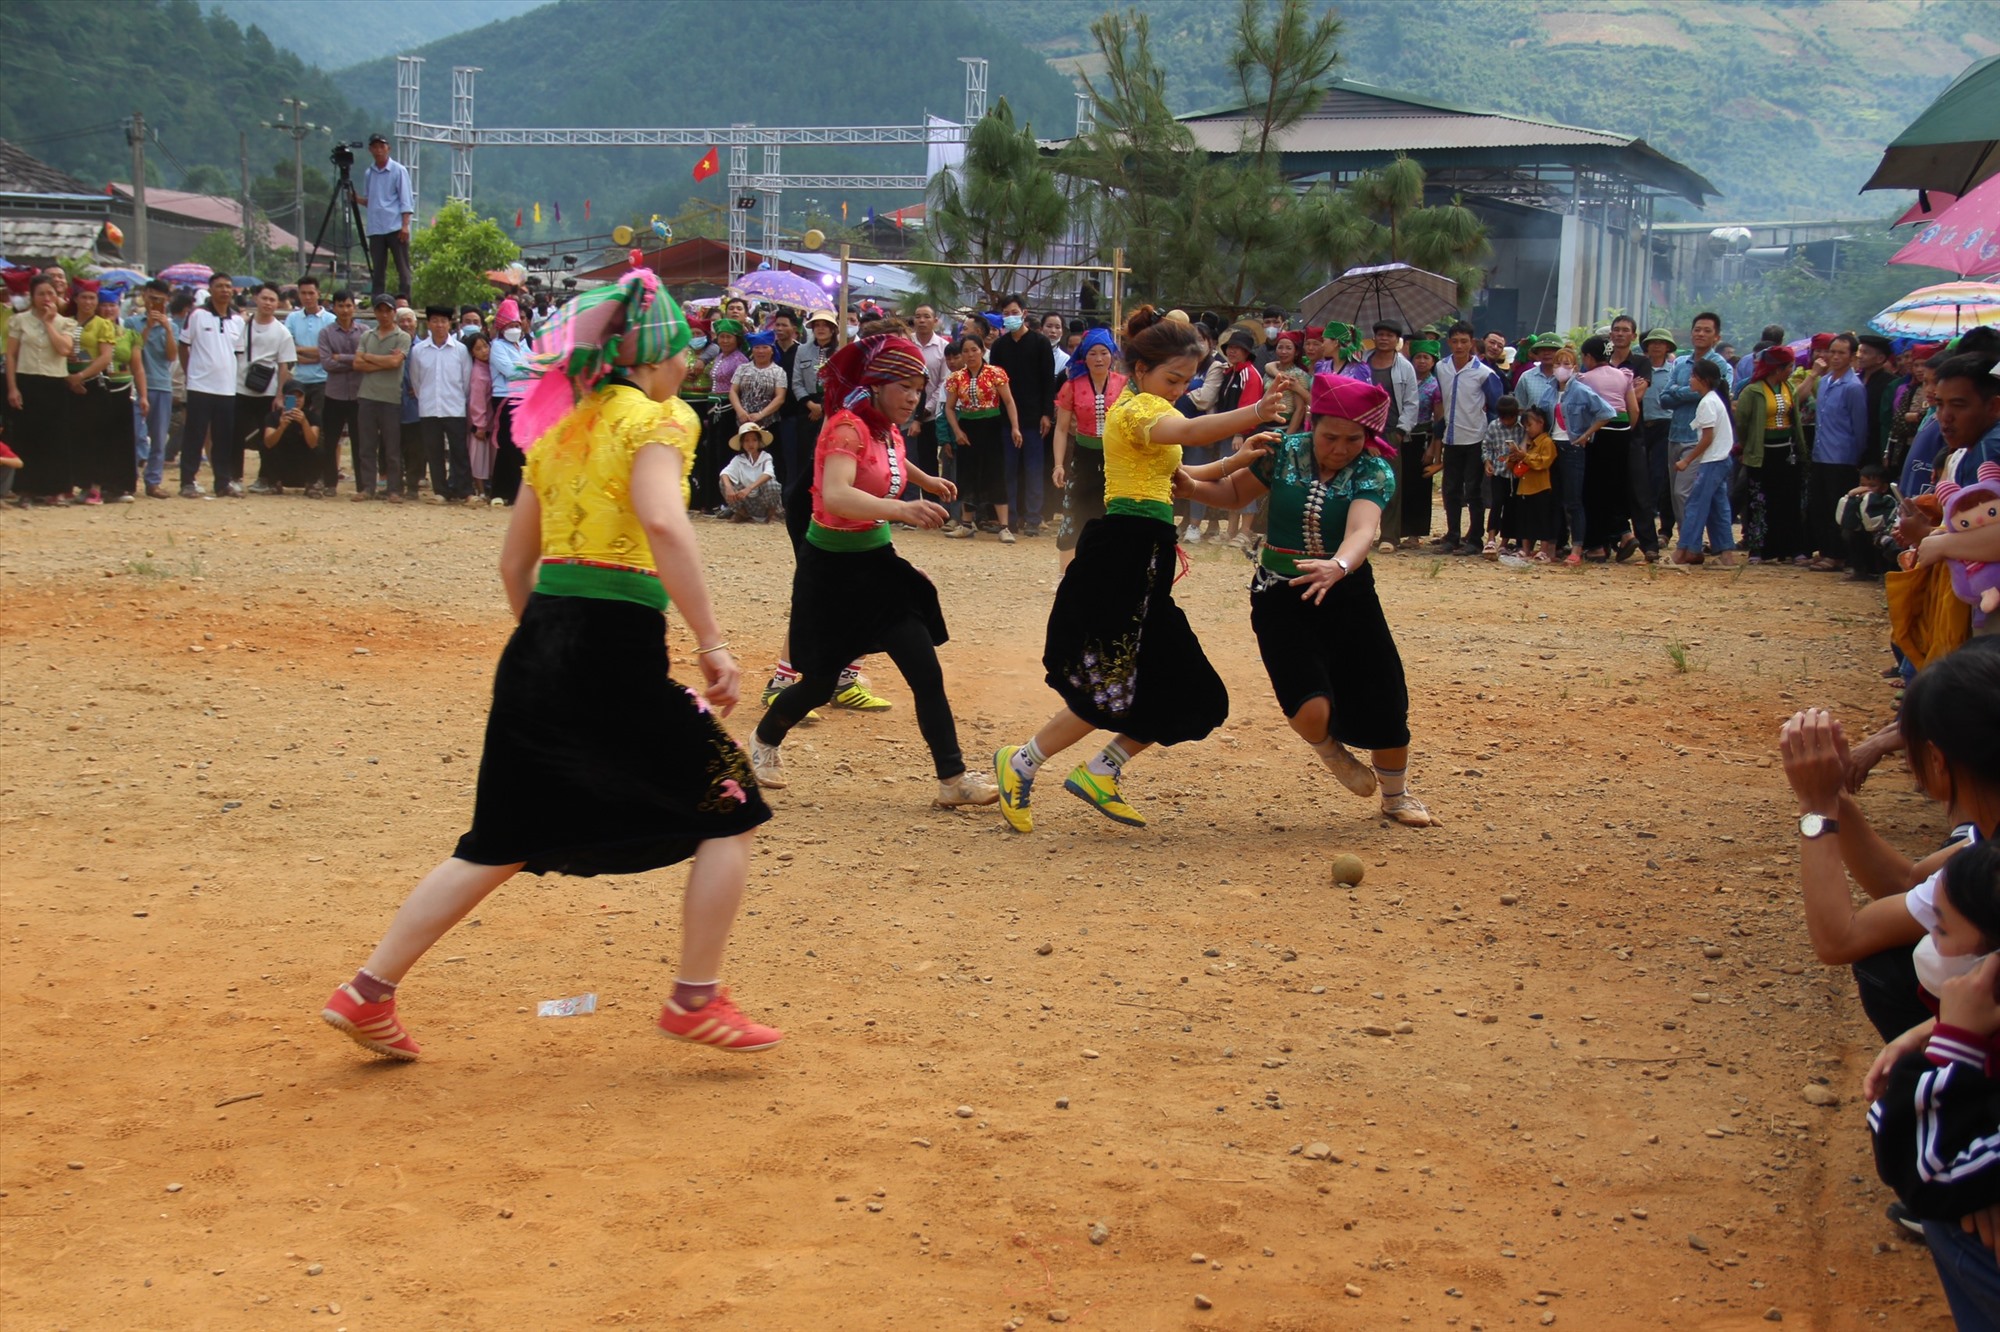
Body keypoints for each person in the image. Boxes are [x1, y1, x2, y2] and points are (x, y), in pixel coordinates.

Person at [321, 265, 781, 1060]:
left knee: (499, 839)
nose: (692, 366)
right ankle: (695, 997)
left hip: (539, 642)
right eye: (685, 353)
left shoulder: (559, 424)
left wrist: (551, 646)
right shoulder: (660, 419)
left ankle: (368, 992)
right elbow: (667, 528)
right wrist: (711, 641)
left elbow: (512, 566)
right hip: (611, 643)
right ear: (652, 358)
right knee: (731, 806)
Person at [992, 305, 1287, 834]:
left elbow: (1185, 475)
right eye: (1173, 377)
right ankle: (1023, 762)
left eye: (1187, 380)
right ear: (1142, 369)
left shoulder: (1150, 413)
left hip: (1146, 555)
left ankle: (1100, 770)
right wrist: (1254, 414)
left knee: (1190, 688)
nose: (1179, 387)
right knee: (1110, 682)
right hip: (1121, 554)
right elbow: (1191, 433)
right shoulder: (1134, 410)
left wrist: (1244, 458)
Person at [1174, 372, 1437, 826]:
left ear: (1367, 436)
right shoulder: (1281, 451)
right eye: (1330, 436)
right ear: (1311, 423)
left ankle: (1396, 796)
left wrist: (1337, 566)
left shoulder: (1374, 470)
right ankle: (1329, 749)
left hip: (1349, 593)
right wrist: (1193, 489)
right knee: (1308, 706)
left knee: (1384, 699)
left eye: (1352, 439)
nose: (1339, 447)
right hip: (1280, 592)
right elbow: (1236, 493)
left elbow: (1363, 529)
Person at [748, 334, 997, 810]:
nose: (912, 397)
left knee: (925, 671)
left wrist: (923, 479)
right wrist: (901, 509)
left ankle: (953, 778)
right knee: (820, 684)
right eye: (903, 386)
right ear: (878, 385)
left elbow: (889, 461)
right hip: (831, 575)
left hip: (879, 569)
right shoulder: (845, 428)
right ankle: (762, 742)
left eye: (918, 389)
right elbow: (837, 494)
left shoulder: (886, 428)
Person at [1778, 638, 2000, 1046]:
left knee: (1889, 964)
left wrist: (1816, 806)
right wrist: (1837, 799)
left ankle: (1952, 1091)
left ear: (1937, 761)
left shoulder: (1990, 865)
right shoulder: (1983, 843)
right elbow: (1909, 883)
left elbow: (1841, 937)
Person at [1050, 326, 1124, 571]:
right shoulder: (1072, 386)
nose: (1099, 358)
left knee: (1114, 511)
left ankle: (1108, 570)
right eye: (1092, 353)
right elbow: (1061, 429)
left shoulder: (1125, 386)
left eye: (1104, 352)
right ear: (1084, 356)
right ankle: (1066, 574)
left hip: (1116, 458)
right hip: (1083, 456)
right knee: (1074, 509)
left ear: (1112, 354)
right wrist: (1059, 465)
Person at [1798, 333, 1868, 570]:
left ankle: (1837, 554)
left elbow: (1860, 427)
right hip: (1820, 454)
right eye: (1832, 352)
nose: (1835, 357)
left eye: (1841, 353)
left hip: (1842, 457)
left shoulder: (1854, 387)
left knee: (1836, 507)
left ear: (1851, 357)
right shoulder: (1825, 382)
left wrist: (1857, 457)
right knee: (1820, 506)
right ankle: (1825, 550)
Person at [943, 332, 1021, 541]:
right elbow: (950, 408)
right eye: (966, 351)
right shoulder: (956, 378)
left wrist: (1015, 427)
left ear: (982, 350)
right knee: (967, 473)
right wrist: (957, 431)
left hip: (992, 426)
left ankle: (1004, 526)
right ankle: (967, 523)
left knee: (995, 472)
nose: (970, 355)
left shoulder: (996, 373)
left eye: (974, 350)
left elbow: (1009, 401)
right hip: (968, 426)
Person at [1733, 344, 1808, 565]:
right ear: (1778, 368)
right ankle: (1759, 549)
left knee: (1789, 501)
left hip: (1786, 452)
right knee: (1760, 501)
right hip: (1761, 453)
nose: (1791, 371)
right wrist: (1745, 448)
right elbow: (1743, 422)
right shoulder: (1752, 391)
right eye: (1789, 367)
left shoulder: (1789, 389)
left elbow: (1793, 419)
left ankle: (1792, 548)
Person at [1432, 321, 1502, 554]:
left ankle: (1475, 538)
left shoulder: (1484, 373)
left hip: (1475, 438)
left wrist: (1492, 441)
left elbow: (1496, 407)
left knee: (1473, 490)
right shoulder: (1442, 368)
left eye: (1464, 341)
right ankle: (1452, 536)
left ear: (1472, 343)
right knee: (1450, 489)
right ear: (1449, 342)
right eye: (1455, 341)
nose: (1459, 346)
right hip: (1451, 438)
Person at [989, 294, 1055, 537]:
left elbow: (1048, 380)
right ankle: (1010, 519)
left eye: (1014, 312)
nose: (1010, 317)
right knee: (1009, 469)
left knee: (1034, 469)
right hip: (1005, 419)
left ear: (1024, 313)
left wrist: (1047, 413)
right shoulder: (999, 346)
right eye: (1006, 313)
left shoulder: (1040, 343)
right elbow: (994, 383)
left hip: (1034, 418)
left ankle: (1033, 519)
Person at [70, 282, 140, 504]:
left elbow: (113, 359)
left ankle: (104, 486)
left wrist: (80, 377)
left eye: (93, 299)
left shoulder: (113, 329)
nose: (90, 303)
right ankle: (84, 484)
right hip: (73, 384)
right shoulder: (68, 323)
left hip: (103, 385)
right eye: (85, 298)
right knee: (81, 438)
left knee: (105, 438)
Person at [177, 273, 242, 499]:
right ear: (210, 289)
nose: (224, 290)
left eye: (228, 286)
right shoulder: (198, 316)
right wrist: (190, 373)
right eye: (219, 286)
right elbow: (183, 345)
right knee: (195, 435)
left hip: (226, 388)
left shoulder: (237, 320)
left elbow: (239, 353)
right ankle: (188, 481)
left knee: (224, 437)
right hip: (200, 386)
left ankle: (223, 482)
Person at [1576, 336, 1639, 560]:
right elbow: (1634, 410)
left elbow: (1581, 411)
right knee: (1615, 487)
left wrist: (1583, 435)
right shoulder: (1623, 375)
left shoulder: (1585, 379)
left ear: (1589, 357)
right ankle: (1624, 534)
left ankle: (1596, 546)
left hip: (1597, 432)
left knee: (1593, 490)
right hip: (1622, 433)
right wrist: (1626, 432)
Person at [1673, 358, 1736, 567]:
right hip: (1721, 458)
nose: (1690, 380)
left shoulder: (1707, 402)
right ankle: (1727, 554)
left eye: (1693, 376)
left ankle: (1683, 551)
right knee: (1719, 508)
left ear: (1703, 380)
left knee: (1695, 505)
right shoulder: (1714, 399)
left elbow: (1707, 438)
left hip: (1713, 460)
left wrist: (1687, 460)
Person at [235, 284, 296, 496]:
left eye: (272, 299)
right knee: (236, 435)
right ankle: (235, 477)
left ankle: (267, 477)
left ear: (277, 303)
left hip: (268, 392)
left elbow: (284, 366)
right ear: (256, 299)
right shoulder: (242, 325)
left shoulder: (282, 332)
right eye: (264, 298)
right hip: (240, 387)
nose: (268, 303)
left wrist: (280, 395)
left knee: (267, 436)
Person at [409, 304, 473, 503]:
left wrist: (459, 400)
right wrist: (426, 397)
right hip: (429, 408)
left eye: (443, 321)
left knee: (459, 451)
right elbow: (416, 380)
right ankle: (441, 491)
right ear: (428, 324)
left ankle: (463, 490)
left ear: (450, 324)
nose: (439, 325)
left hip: (454, 407)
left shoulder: (460, 350)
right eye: (435, 321)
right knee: (433, 451)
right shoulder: (419, 351)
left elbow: (467, 380)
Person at [351, 294, 410, 502]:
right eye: (380, 310)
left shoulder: (402, 336)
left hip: (390, 398)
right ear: (375, 312)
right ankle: (368, 487)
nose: (384, 315)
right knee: (366, 445)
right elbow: (357, 364)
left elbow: (395, 363)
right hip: (367, 396)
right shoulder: (367, 336)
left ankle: (394, 489)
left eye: (388, 310)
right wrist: (383, 361)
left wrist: (369, 358)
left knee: (391, 447)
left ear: (394, 312)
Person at [284, 275, 337, 497]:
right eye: (303, 293)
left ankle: (321, 477)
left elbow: (330, 352)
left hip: (323, 382)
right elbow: (288, 348)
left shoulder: (331, 319)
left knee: (320, 430)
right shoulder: (292, 319)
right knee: (290, 424)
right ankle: (292, 475)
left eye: (311, 293)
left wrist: (308, 353)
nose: (307, 297)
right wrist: (316, 353)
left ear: (319, 294)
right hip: (297, 382)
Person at [127, 278, 178, 498]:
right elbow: (132, 351)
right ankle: (129, 479)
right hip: (137, 386)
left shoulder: (173, 326)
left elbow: (171, 356)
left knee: (159, 437)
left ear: (166, 301)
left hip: (162, 385)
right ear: (145, 297)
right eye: (151, 298)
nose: (154, 302)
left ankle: (153, 481)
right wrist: (147, 327)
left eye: (159, 299)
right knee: (135, 434)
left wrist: (166, 329)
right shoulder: (131, 324)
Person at [1633, 328, 1678, 557]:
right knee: (1641, 476)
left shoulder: (1674, 371)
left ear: (1668, 347)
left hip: (1664, 426)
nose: (1656, 347)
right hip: (1640, 425)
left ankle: (1664, 529)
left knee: (1660, 477)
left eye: (1661, 343)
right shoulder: (1640, 368)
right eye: (1652, 343)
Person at [317, 289, 363, 500]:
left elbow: (366, 362)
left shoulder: (364, 332)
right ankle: (330, 483)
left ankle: (363, 485)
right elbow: (327, 363)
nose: (345, 310)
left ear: (353, 307)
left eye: (348, 305)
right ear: (333, 308)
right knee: (331, 440)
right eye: (340, 306)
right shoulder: (326, 333)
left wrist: (341, 357)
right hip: (334, 395)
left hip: (358, 395)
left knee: (360, 441)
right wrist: (354, 362)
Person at [357, 134, 415, 300]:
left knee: (402, 266)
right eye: (375, 147)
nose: (378, 150)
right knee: (378, 267)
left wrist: (405, 225)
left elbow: (406, 200)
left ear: (388, 148)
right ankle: (378, 298)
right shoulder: (370, 173)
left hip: (395, 225)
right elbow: (371, 200)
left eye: (381, 147)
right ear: (370, 150)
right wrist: (356, 199)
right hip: (376, 227)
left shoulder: (398, 170)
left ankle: (404, 297)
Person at [487, 301, 534, 505]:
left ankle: (508, 491)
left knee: (520, 446)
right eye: (509, 326)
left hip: (524, 400)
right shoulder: (497, 347)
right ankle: (507, 491)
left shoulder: (523, 345)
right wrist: (536, 370)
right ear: (501, 328)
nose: (513, 330)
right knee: (509, 445)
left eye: (516, 325)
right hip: (505, 399)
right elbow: (511, 372)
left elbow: (534, 362)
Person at [1505, 403, 1560, 561]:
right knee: (1524, 520)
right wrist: (1513, 456)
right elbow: (1513, 468)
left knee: (1542, 519)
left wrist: (1526, 457)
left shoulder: (1547, 442)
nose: (1527, 429)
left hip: (1540, 487)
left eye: (1530, 425)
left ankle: (1543, 550)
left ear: (1541, 422)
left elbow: (1544, 462)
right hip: (1524, 487)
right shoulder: (1526, 444)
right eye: (1525, 426)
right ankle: (1525, 549)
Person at [1476, 393, 1524, 557]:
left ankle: (1505, 541)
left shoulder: (1522, 428)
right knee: (1496, 503)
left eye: (1510, 418)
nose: (1507, 422)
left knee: (1512, 506)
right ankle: (1491, 539)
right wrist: (1487, 462)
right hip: (1498, 472)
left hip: (1516, 474)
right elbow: (1486, 447)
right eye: (1503, 418)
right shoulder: (1494, 426)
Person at [719, 421, 782, 521]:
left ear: (759, 442)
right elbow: (724, 473)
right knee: (724, 482)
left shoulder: (765, 456)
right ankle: (742, 513)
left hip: (762, 501)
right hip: (746, 501)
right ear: (742, 444)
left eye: (754, 440)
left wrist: (749, 488)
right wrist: (728, 487)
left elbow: (769, 473)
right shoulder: (739, 459)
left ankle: (771, 515)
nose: (750, 444)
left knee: (772, 484)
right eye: (746, 441)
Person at [465, 330, 494, 500]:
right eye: (478, 349)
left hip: (490, 420)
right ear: (472, 353)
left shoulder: (490, 367)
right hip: (480, 422)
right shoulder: (478, 373)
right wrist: (479, 425)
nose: (484, 351)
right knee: (478, 456)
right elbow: (476, 402)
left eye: (485, 346)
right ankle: (480, 490)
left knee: (488, 456)